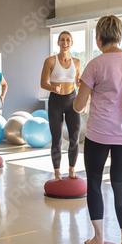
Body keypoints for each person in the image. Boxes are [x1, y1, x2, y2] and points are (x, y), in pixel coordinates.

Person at [73, 15, 122, 244]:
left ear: (98, 38)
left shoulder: (95, 65)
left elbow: (78, 106)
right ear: (120, 35)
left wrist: (86, 88)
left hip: (99, 133)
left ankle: (98, 238)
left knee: (95, 183)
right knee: (120, 184)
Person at [40, 31, 82, 180]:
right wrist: (53, 88)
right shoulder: (50, 61)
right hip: (55, 102)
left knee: (74, 137)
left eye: (68, 40)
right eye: (62, 40)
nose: (65, 43)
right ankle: (57, 172)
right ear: (58, 42)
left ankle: (71, 170)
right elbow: (43, 83)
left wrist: (79, 83)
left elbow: (77, 81)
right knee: (56, 138)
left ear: (71, 43)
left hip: (72, 100)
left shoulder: (76, 62)